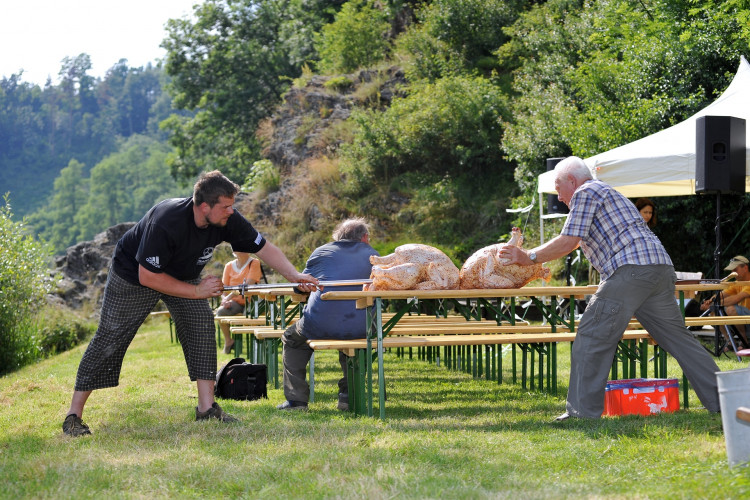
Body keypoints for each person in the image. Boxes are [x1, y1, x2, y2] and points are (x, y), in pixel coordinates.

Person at [62, 170, 319, 437]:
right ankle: (73, 417)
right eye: (226, 206)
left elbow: (264, 248)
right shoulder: (166, 220)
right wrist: (197, 292)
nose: (231, 211)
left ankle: (206, 409)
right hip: (134, 276)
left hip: (183, 276)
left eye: (232, 206)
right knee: (110, 337)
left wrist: (295, 275)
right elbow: (148, 275)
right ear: (204, 206)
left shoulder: (227, 218)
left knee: (202, 324)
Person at [499, 156, 721, 421]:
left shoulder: (586, 190)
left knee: (592, 337)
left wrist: (528, 256)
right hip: (660, 270)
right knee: (680, 341)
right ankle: (725, 400)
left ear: (572, 180)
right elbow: (581, 241)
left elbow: (569, 240)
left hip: (632, 271)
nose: (558, 197)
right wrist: (539, 262)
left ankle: (582, 414)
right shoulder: (608, 193)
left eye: (558, 187)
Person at [277, 217, 379, 412]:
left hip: (319, 323)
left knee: (291, 339)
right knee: (357, 343)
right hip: (361, 325)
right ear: (365, 237)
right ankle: (348, 397)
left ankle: (296, 401)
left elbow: (300, 288)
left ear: (337, 238)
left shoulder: (321, 252)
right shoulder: (373, 256)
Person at [215, 251, 262, 354]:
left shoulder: (254, 262)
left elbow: (247, 285)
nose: (236, 251)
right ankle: (228, 341)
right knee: (221, 312)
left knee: (248, 315)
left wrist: (228, 297)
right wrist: (224, 300)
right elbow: (223, 288)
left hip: (252, 300)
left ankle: (256, 347)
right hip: (236, 302)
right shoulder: (228, 266)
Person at [699, 255, 750, 350]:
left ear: (745, 268)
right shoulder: (738, 282)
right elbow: (722, 294)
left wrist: (714, 304)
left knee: (730, 309)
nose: (733, 273)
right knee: (714, 312)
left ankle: (744, 342)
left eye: (735, 269)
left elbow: (736, 299)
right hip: (744, 321)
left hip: (747, 320)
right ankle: (730, 342)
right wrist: (711, 300)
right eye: (732, 271)